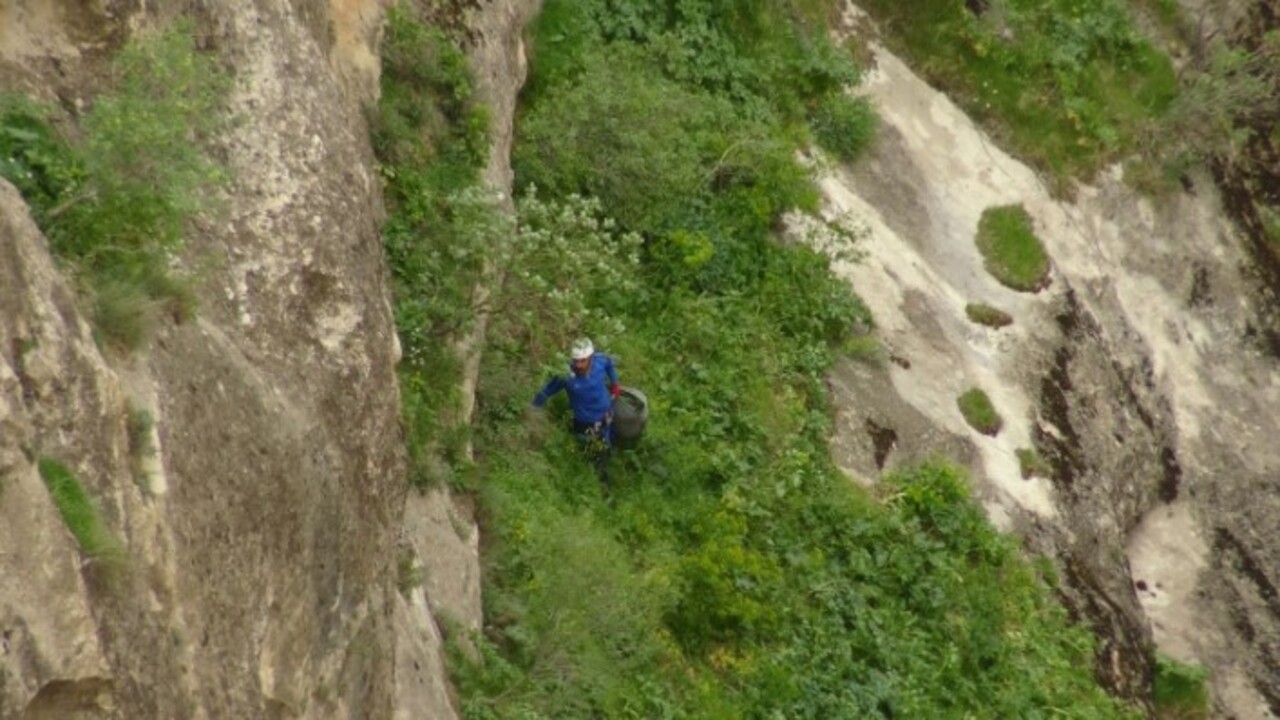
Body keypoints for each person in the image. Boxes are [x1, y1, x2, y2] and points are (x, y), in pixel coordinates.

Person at [530, 338, 622, 482]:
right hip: (585, 423)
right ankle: (591, 477)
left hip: (606, 414)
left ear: (591, 358)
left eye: (582, 361)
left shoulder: (600, 361)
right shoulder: (566, 375)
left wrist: (615, 384)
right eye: (575, 361)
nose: (578, 365)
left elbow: (609, 365)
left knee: (606, 444)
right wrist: (532, 408)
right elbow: (547, 391)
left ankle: (603, 470)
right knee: (590, 449)